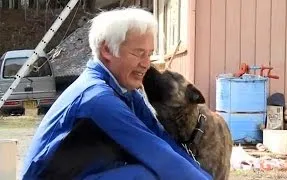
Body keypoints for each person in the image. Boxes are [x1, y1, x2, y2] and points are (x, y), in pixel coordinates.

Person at [21, 7, 213, 180]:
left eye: (149, 53)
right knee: (144, 176)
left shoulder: (125, 92)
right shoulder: (96, 98)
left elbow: (162, 140)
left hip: (86, 173)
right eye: (138, 53)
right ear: (107, 50)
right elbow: (156, 153)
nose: (146, 63)